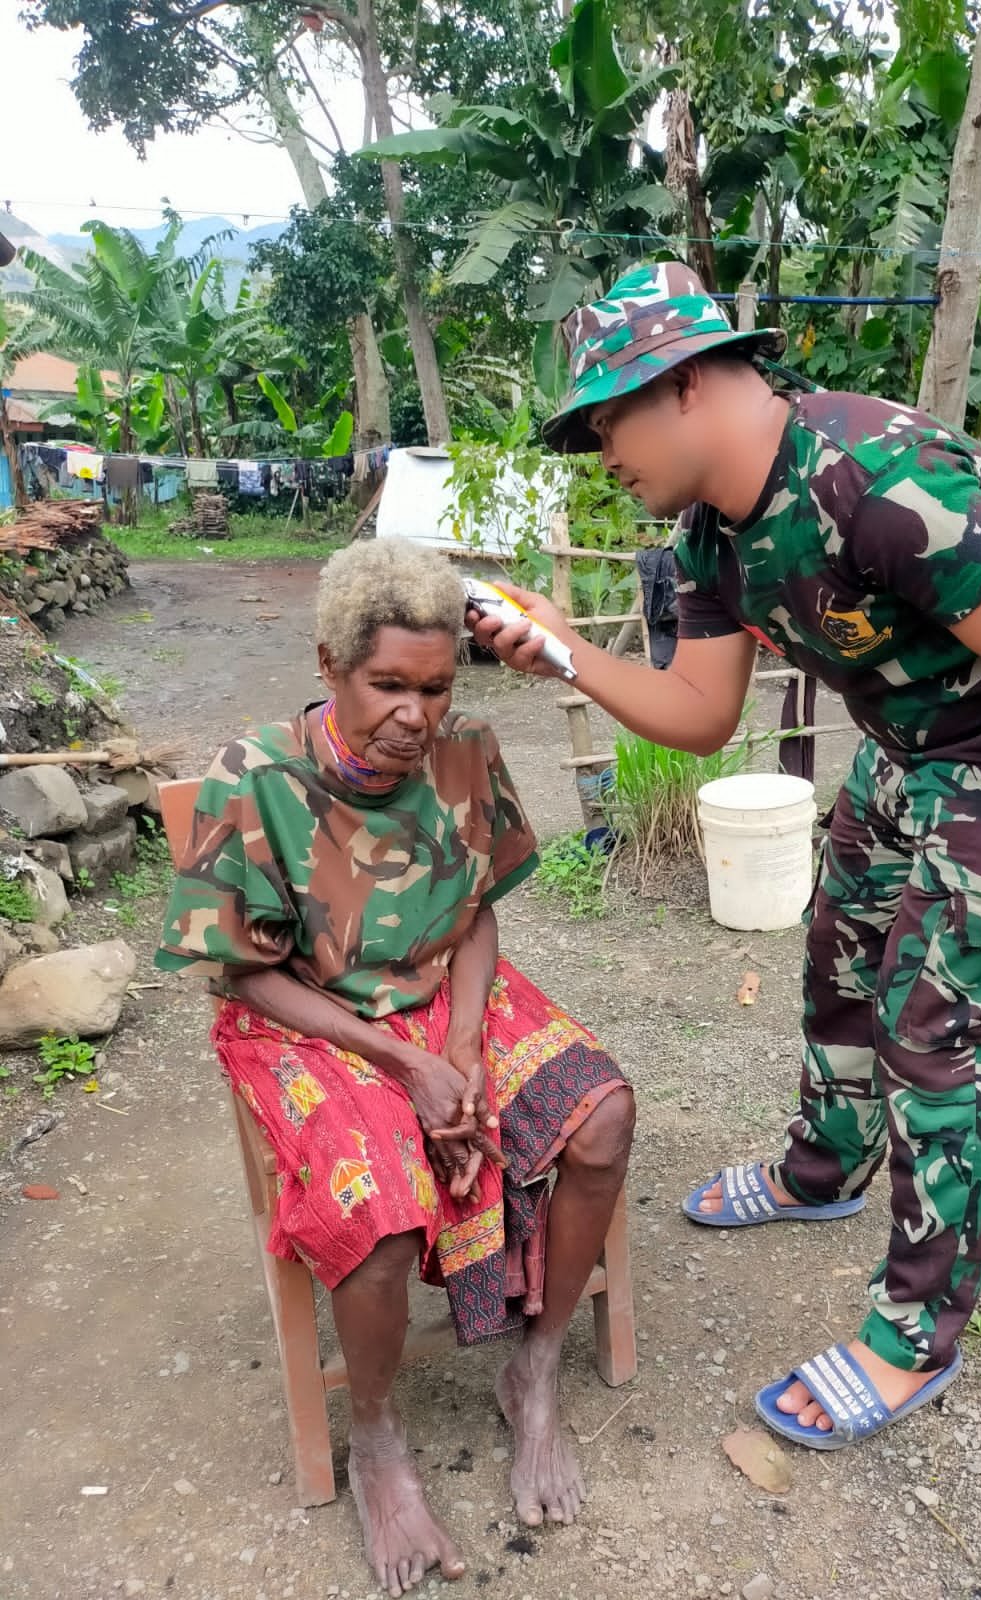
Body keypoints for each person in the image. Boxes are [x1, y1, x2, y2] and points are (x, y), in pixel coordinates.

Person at [470, 260, 981, 1453]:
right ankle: (825, 1168)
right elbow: (697, 710)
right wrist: (566, 654)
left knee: (940, 1034)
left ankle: (912, 1333)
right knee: (842, 946)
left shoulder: (870, 476)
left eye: (607, 417)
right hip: (920, 738)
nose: (600, 451)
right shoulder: (711, 543)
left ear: (683, 384)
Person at [156, 539, 635, 1594]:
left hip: (444, 988)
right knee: (377, 1204)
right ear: (329, 665)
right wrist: (398, 1060)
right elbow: (239, 978)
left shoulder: (463, 750)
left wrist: (460, 1046)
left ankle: (535, 1365)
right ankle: (375, 1437)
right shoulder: (256, 778)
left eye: (433, 686)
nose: (413, 715)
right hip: (310, 1015)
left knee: (601, 1114)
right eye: (387, 686)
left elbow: (476, 918)